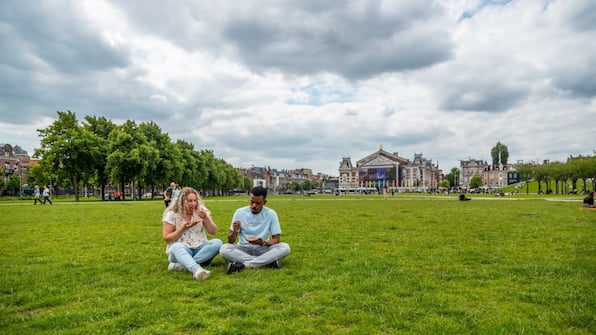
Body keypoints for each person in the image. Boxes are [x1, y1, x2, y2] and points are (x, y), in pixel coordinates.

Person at [220, 186, 291, 274]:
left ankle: (244, 265)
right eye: (252, 202)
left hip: (263, 248)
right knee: (224, 249)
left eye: (258, 203)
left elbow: (276, 239)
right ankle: (266, 262)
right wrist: (235, 230)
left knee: (285, 247)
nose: (254, 206)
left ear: (264, 202)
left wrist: (263, 242)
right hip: (243, 248)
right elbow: (231, 241)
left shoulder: (271, 214)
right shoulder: (239, 212)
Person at [162, 187, 222, 280]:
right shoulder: (172, 214)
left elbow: (213, 231)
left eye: (195, 200)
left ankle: (181, 265)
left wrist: (206, 218)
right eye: (189, 201)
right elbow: (167, 238)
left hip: (199, 247)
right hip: (181, 250)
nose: (193, 204)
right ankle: (196, 269)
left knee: (217, 242)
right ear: (182, 201)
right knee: (176, 247)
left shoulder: (201, 211)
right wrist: (183, 228)